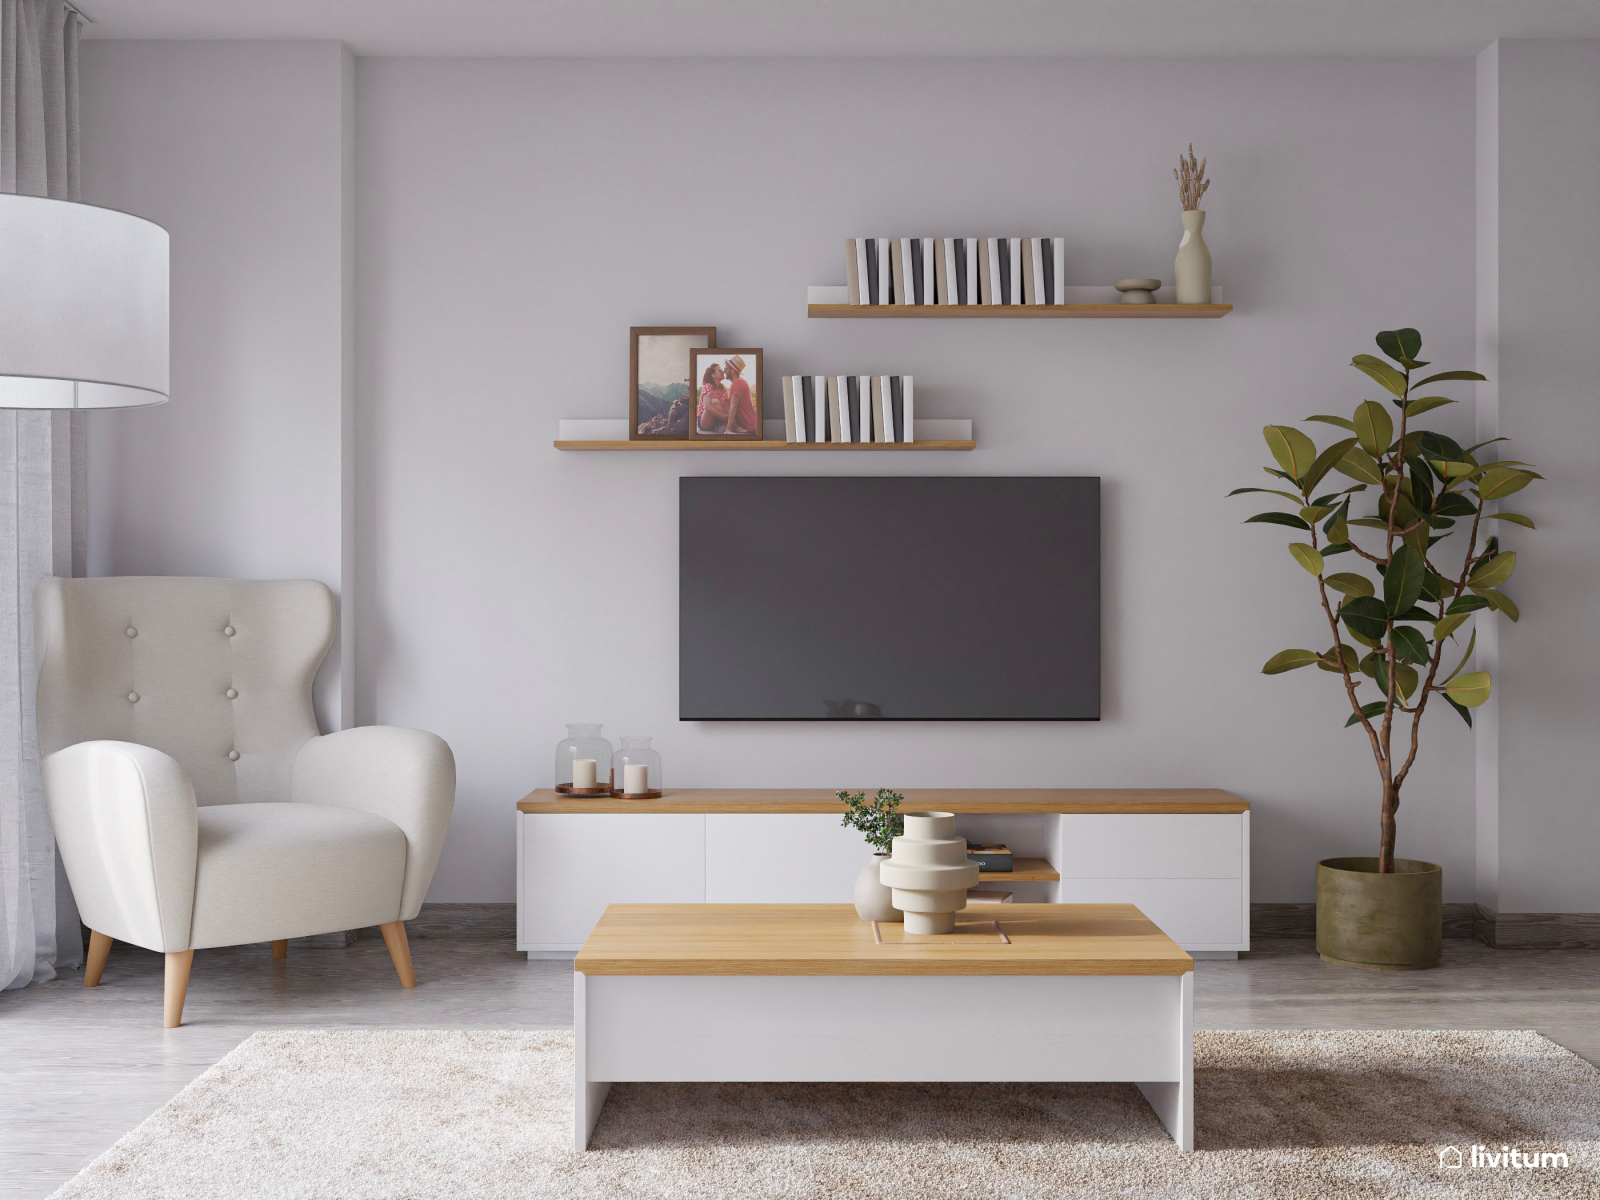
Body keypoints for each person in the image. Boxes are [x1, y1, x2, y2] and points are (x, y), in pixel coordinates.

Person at [723, 354, 757, 435]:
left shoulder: (738, 383)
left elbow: (733, 407)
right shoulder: (735, 384)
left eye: (726, 368)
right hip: (749, 427)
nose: (724, 370)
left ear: (733, 371)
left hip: (752, 428)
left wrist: (728, 430)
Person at [698, 361, 728, 433]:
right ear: (713, 375)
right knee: (714, 401)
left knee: (727, 404)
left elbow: (725, 405)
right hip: (704, 420)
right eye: (720, 371)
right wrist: (723, 417)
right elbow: (707, 406)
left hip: (716, 419)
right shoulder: (708, 386)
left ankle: (719, 426)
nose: (723, 371)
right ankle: (727, 424)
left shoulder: (723, 389)